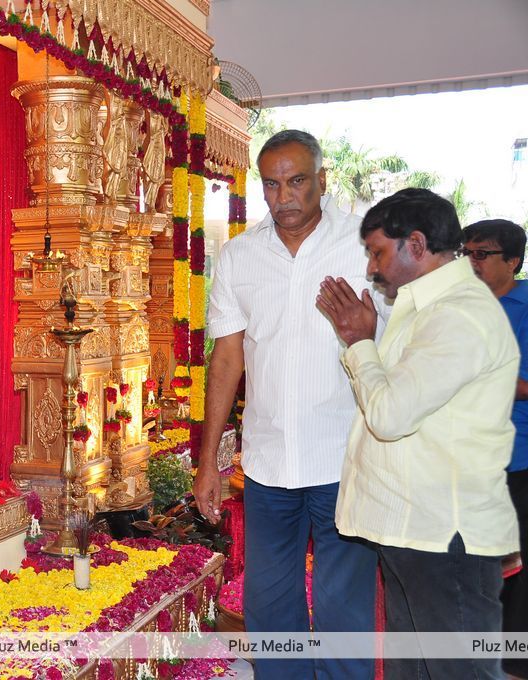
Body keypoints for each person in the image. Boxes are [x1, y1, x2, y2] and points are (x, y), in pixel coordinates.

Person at [195, 129, 383, 679]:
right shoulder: (239, 256)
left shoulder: (365, 247)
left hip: (346, 461)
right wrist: (209, 460)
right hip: (269, 465)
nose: (286, 196)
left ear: (322, 180)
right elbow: (226, 360)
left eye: (298, 181)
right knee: (271, 608)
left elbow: (399, 347)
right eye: (273, 185)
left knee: (342, 610)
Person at [318, 189, 519, 680]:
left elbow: (388, 415)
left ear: (416, 242)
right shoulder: (426, 306)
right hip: (417, 529)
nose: (370, 268)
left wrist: (359, 342)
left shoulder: (458, 314)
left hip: (444, 533)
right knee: (416, 671)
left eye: (377, 252)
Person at [463, 218, 528, 678]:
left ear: (514, 261)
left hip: (516, 460)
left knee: (516, 572)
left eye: (482, 255)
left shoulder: (524, 306)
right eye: (466, 253)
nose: (472, 263)